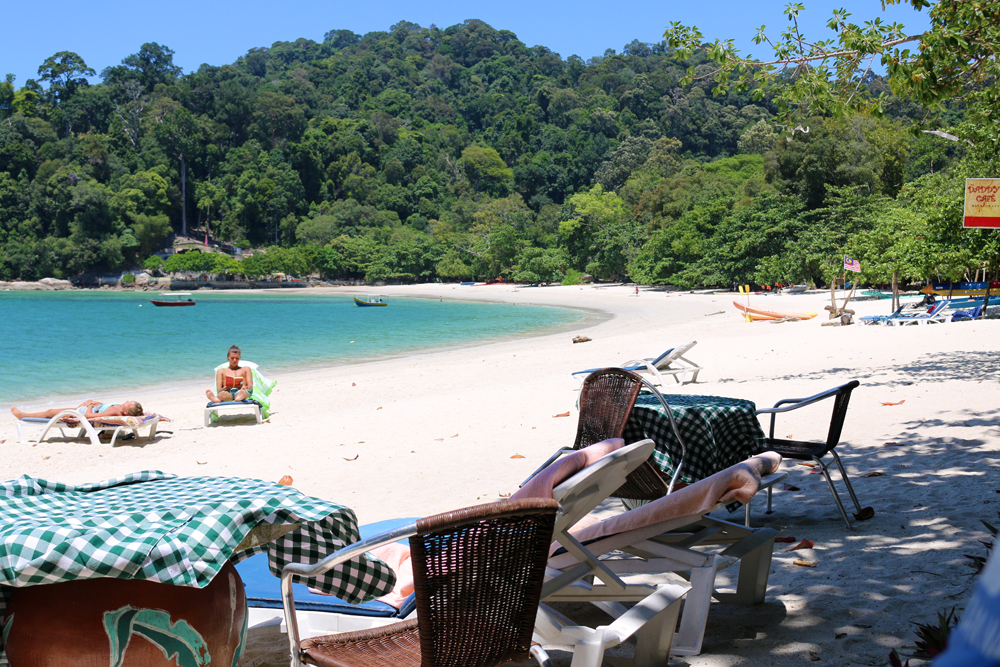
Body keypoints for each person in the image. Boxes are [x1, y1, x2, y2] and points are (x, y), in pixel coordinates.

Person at [11, 399, 143, 420]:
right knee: (51, 412)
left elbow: (89, 416)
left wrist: (90, 406)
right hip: (89, 408)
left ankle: (24, 416)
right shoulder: (119, 408)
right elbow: (105, 406)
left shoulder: (114, 412)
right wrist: (97, 403)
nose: (127, 401)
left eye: (128, 403)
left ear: (125, 412)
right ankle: (24, 415)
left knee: (50, 412)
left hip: (81, 413)